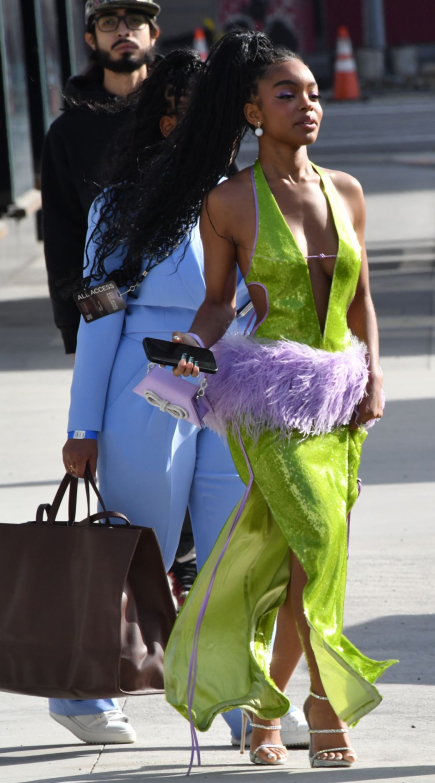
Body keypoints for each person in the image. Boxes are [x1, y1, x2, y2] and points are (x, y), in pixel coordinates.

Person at [92, 30, 397, 769]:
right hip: (270, 405)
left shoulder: (347, 192)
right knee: (320, 544)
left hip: (342, 402)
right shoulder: (228, 202)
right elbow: (218, 304)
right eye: (287, 94)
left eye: (315, 92)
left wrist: (376, 374)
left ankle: (264, 712)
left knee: (300, 564)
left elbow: (362, 300)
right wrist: (188, 356)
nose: (308, 105)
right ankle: (325, 709)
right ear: (254, 112)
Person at [54, 49, 309, 751]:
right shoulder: (120, 204)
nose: (226, 133)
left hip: (229, 392)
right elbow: (99, 317)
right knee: (140, 550)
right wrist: (84, 426)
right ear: (166, 121)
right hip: (149, 392)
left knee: (233, 553)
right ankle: (81, 692)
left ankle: (233, 700)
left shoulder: (247, 195)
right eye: (202, 118)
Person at [41, 0, 161, 356]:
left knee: (188, 410)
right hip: (111, 303)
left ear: (153, 34)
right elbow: (64, 236)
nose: (123, 30)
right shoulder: (68, 132)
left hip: (190, 302)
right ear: (91, 39)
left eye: (135, 20)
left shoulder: (184, 113)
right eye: (109, 22)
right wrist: (87, 330)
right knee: (107, 408)